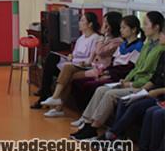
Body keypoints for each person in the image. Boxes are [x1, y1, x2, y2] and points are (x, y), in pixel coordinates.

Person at [71, 11, 165, 140]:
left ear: (156, 27)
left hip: (141, 85)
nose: (143, 27)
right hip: (131, 81)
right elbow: (137, 68)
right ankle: (87, 122)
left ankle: (94, 128)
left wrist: (131, 84)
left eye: (146, 24)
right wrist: (125, 80)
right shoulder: (147, 45)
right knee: (101, 89)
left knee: (110, 94)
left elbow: (151, 75)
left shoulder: (160, 49)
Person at [40, 12, 121, 117]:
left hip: (96, 68)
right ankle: (55, 102)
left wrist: (102, 37)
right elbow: (77, 54)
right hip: (84, 65)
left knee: (68, 70)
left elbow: (98, 52)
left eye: (82, 20)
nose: (103, 25)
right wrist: (71, 57)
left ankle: (56, 101)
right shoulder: (83, 38)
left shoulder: (103, 39)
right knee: (55, 61)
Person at [70, 15, 144, 123]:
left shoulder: (138, 46)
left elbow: (128, 68)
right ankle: (85, 117)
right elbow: (113, 62)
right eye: (120, 27)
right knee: (79, 82)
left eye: (124, 28)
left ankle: (90, 119)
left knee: (90, 86)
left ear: (133, 30)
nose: (121, 30)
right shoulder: (123, 45)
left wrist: (108, 74)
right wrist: (105, 72)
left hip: (120, 77)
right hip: (111, 72)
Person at [31, 12, 101, 109]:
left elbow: (91, 59)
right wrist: (71, 56)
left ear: (90, 24)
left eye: (82, 20)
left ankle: (46, 95)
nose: (79, 23)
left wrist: (78, 61)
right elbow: (74, 53)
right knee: (51, 58)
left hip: (82, 66)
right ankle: (45, 92)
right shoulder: (81, 38)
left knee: (60, 67)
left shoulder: (95, 38)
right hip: (73, 62)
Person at [103, 47, 165, 141]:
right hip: (153, 91)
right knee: (124, 101)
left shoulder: (159, 50)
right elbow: (154, 79)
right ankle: (119, 137)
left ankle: (112, 134)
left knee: (137, 107)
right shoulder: (163, 55)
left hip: (160, 95)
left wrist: (157, 91)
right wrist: (142, 90)